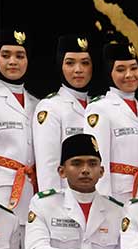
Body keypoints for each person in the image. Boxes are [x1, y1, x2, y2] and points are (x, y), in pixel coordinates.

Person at [85, 42, 138, 204]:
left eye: (134, 68)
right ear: (109, 73)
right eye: (121, 70)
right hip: (117, 196)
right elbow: (96, 160)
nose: (129, 75)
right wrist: (103, 202)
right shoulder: (100, 108)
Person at [33, 34, 93, 191]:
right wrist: (53, 207)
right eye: (70, 63)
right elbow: (48, 164)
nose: (78, 70)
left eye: (85, 63)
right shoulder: (50, 107)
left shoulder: (98, 105)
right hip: (66, 198)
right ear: (61, 65)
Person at [0, 29, 39, 230]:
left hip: (30, 191)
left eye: (20, 56)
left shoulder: (37, 103)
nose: (12, 61)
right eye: (6, 55)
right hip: (0, 191)